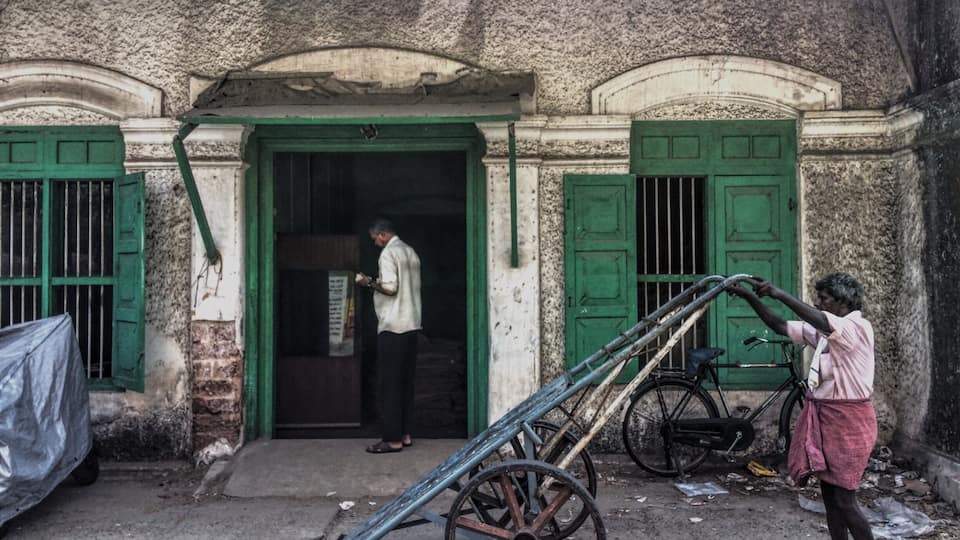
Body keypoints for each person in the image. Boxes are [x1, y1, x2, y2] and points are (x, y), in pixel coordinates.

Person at [728, 273, 876, 540]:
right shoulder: (824, 333)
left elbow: (819, 319)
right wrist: (749, 296)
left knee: (845, 500)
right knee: (830, 499)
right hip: (827, 420)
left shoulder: (856, 328)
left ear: (843, 302)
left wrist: (778, 293)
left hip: (849, 424)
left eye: (824, 299)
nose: (819, 303)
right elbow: (780, 325)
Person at [356, 218, 422, 454]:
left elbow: (391, 287)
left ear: (382, 235)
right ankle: (404, 434)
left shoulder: (388, 254)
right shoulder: (410, 252)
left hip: (393, 326)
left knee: (390, 385)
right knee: (405, 382)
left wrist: (368, 282)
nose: (375, 243)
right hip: (412, 324)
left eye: (375, 239)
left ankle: (392, 439)